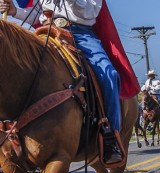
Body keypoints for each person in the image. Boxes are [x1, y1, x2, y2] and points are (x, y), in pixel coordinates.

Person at [0, 0, 124, 164]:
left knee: (109, 74)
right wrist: (15, 11)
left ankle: (110, 135)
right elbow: (38, 13)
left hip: (80, 34)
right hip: (46, 33)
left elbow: (90, 12)